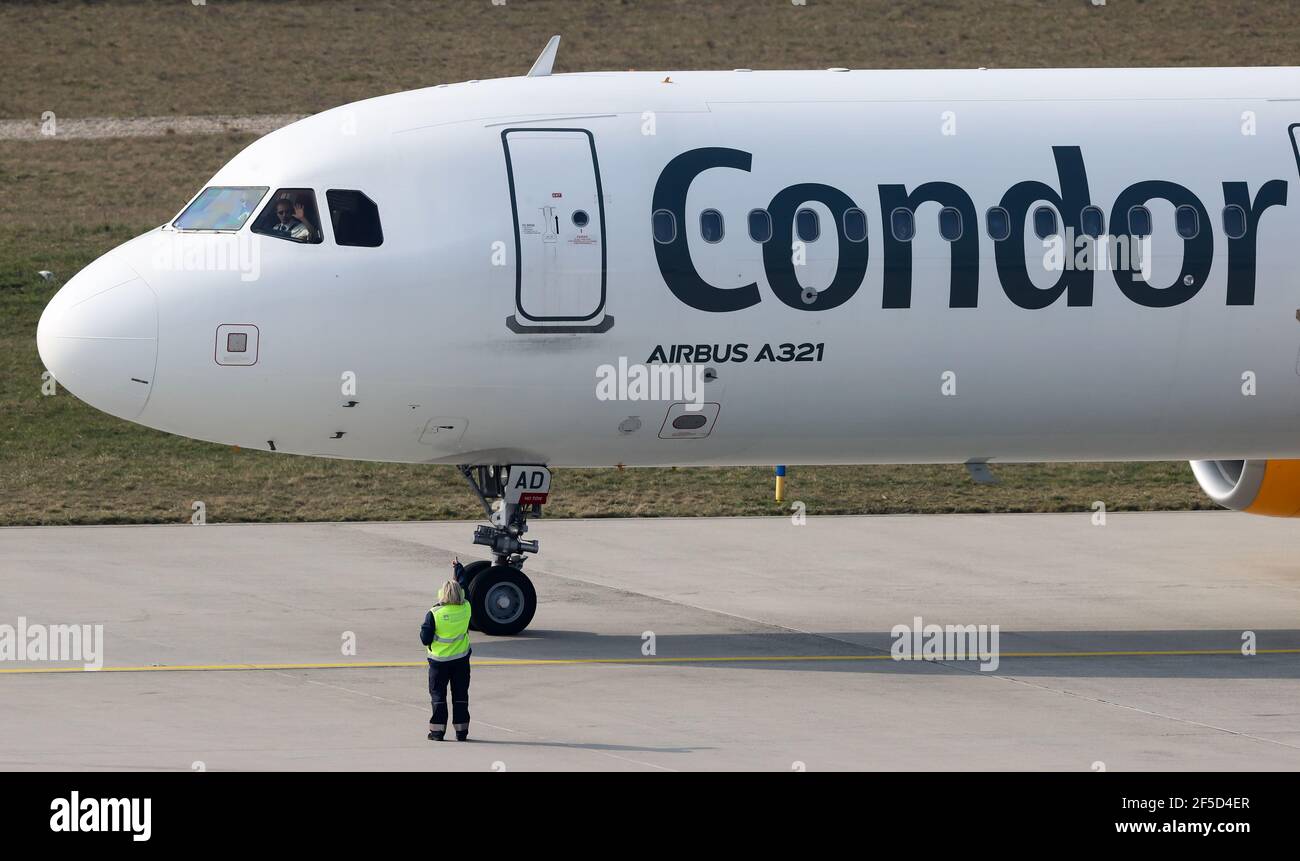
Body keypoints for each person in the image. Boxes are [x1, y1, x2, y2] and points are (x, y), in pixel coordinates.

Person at [420, 565, 473, 741]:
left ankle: (437, 732)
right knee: (460, 696)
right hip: (461, 661)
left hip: (438, 662)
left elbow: (425, 639)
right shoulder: (466, 608)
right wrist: (459, 569)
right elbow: (464, 587)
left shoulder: (434, 613)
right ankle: (461, 732)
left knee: (438, 696)